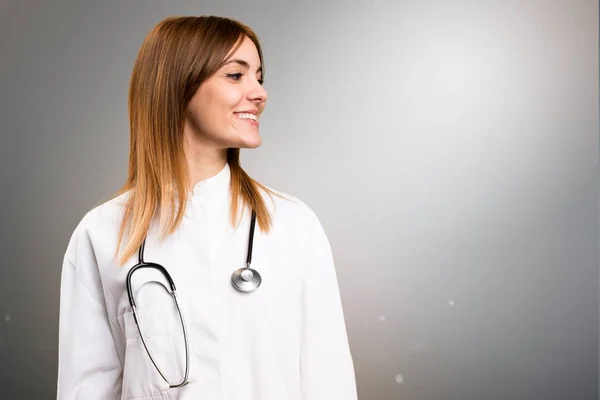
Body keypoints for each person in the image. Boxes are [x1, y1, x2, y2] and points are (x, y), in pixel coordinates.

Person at [57, 15, 357, 400]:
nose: (260, 93)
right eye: (236, 75)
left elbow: (329, 382)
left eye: (259, 77)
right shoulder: (101, 234)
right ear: (179, 86)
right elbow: (86, 390)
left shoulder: (295, 226)